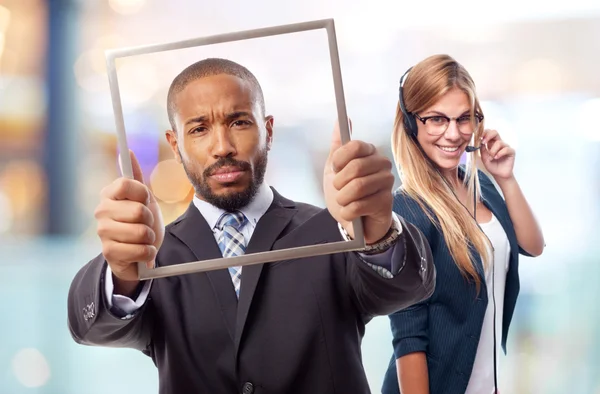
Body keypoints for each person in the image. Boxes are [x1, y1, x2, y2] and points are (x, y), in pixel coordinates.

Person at [67, 58, 435, 394]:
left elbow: (406, 288)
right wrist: (121, 273)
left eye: (239, 122)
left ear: (268, 131)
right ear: (175, 145)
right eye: (199, 129)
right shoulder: (153, 256)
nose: (222, 146)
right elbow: (91, 327)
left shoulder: (335, 231)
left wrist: (377, 231)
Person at [380, 54, 545, 394]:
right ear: (413, 123)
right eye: (437, 119)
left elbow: (532, 245)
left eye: (463, 118)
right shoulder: (407, 210)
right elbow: (408, 335)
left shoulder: (479, 185)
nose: (453, 134)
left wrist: (506, 179)